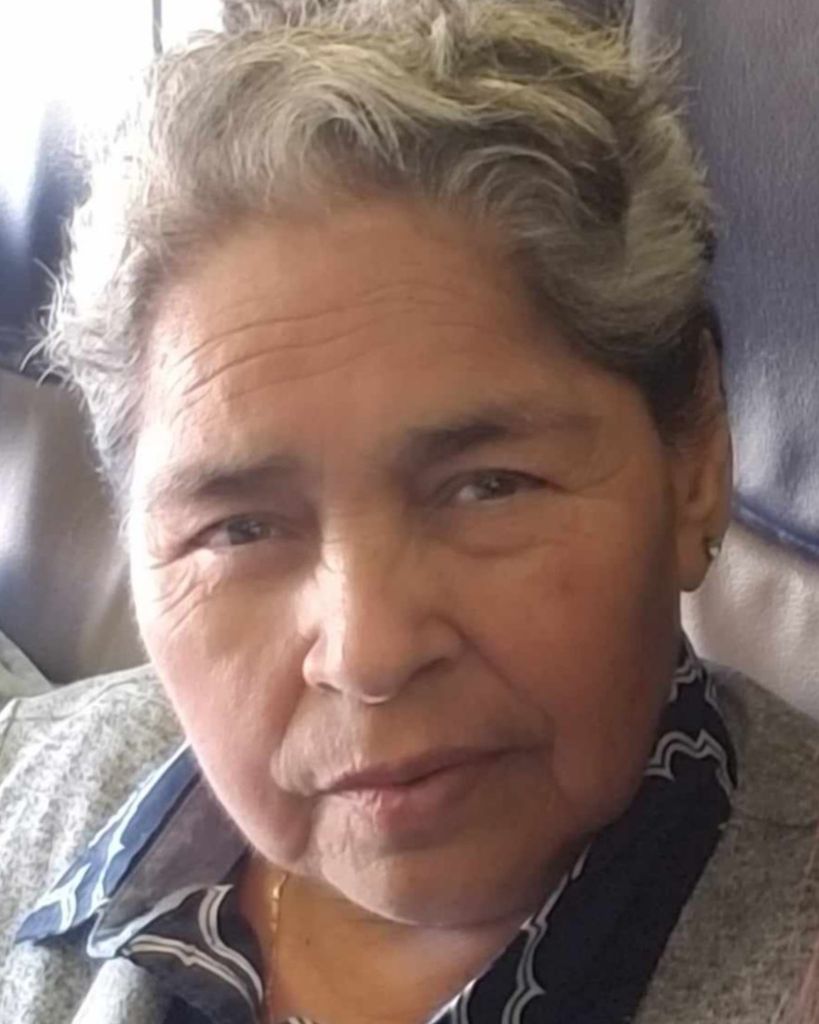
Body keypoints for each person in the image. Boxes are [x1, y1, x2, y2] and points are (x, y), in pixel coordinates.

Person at [1, 1, 818, 1022]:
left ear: (693, 455)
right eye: (241, 528)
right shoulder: (37, 787)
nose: (370, 654)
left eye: (488, 486)